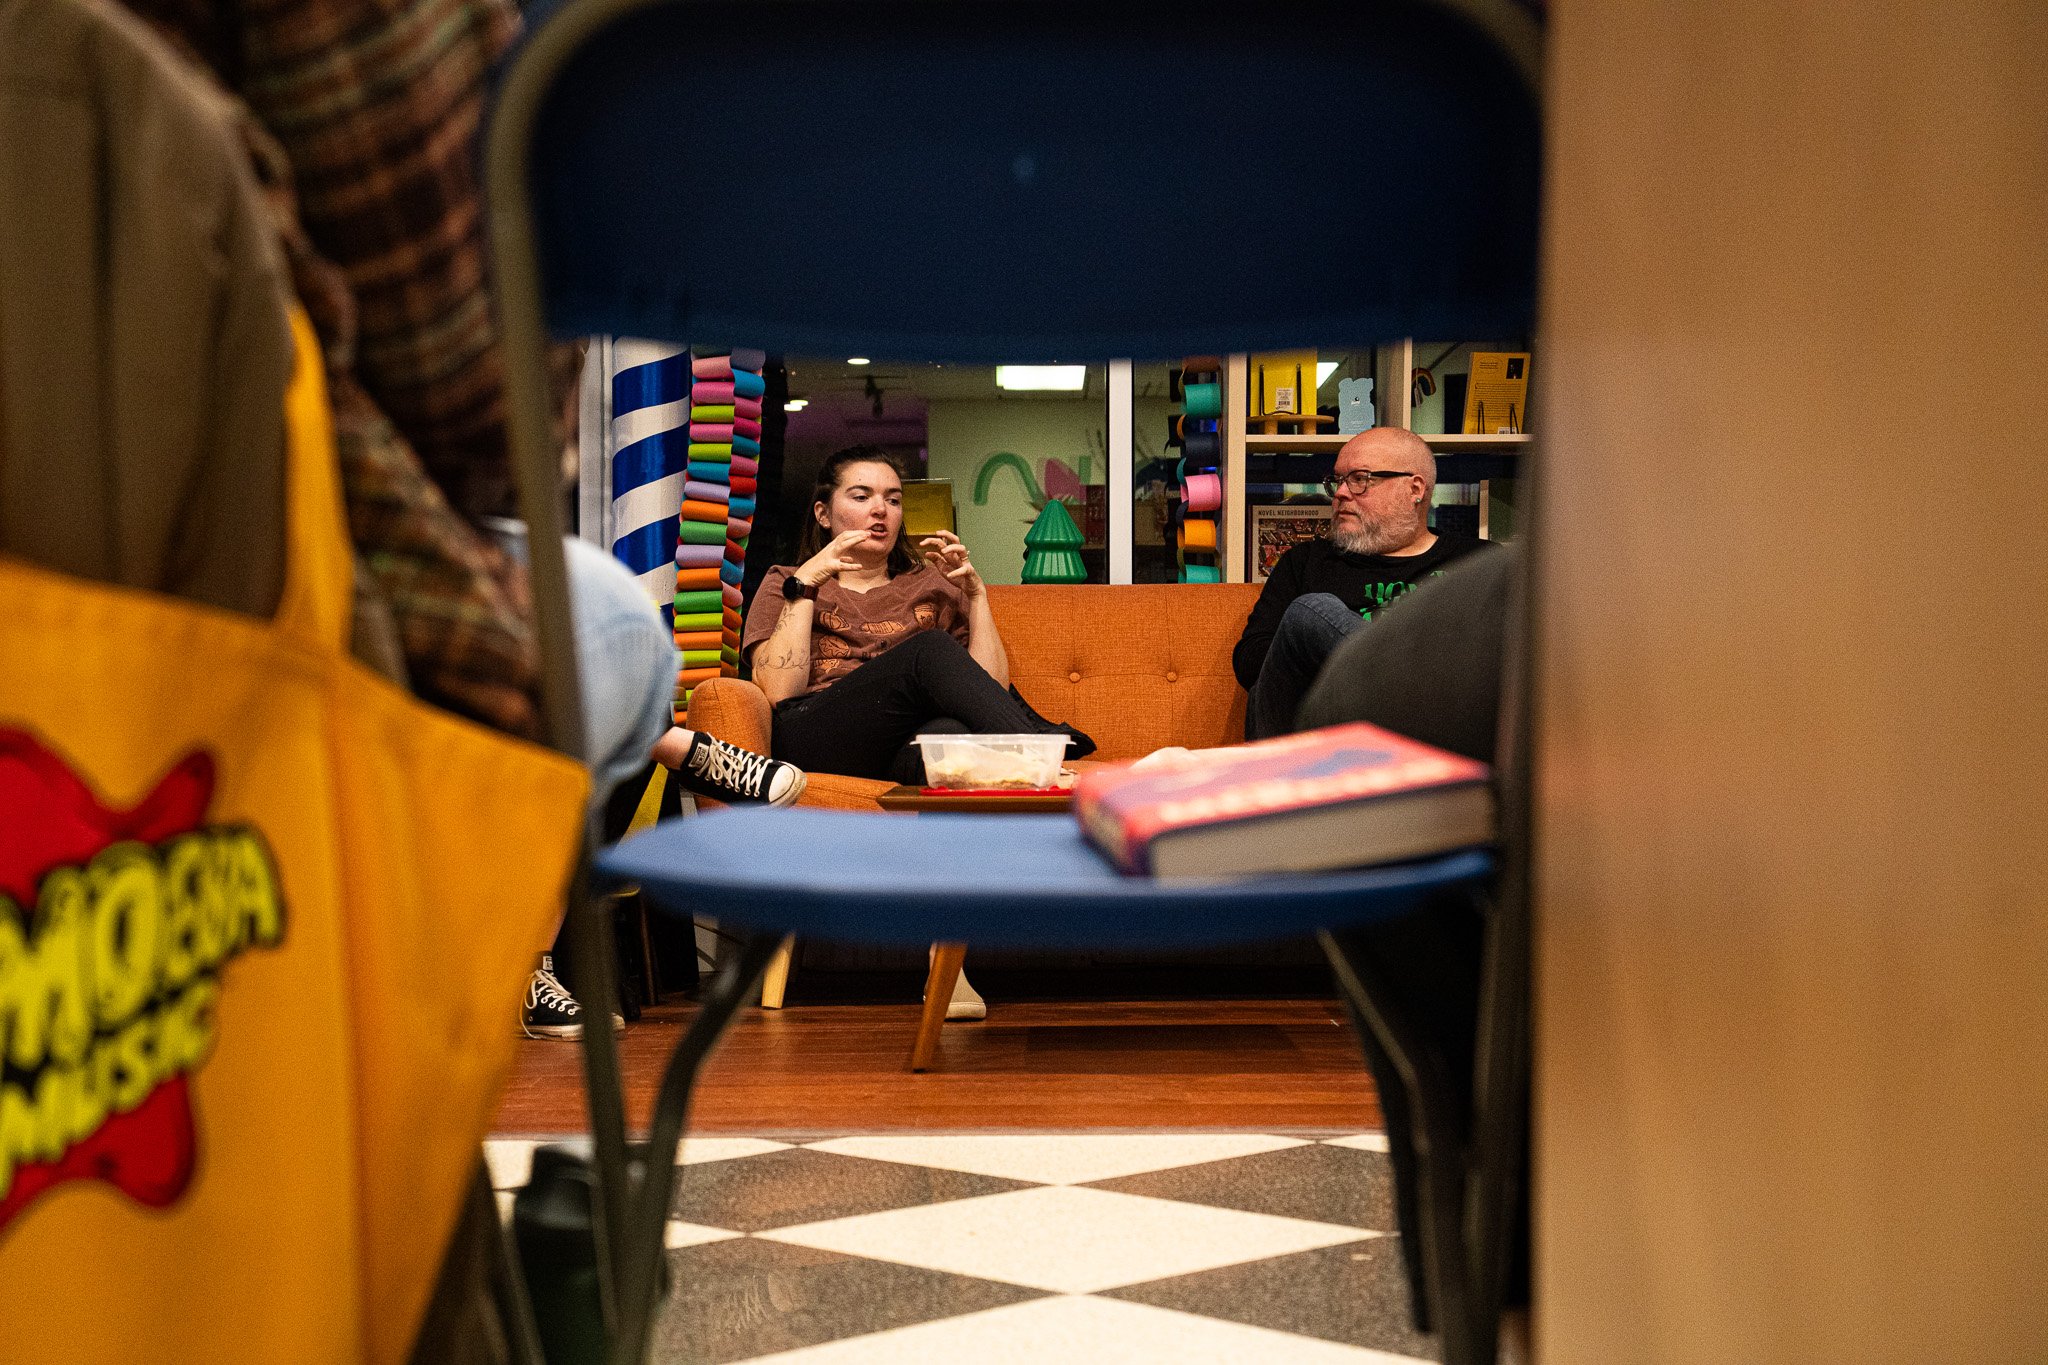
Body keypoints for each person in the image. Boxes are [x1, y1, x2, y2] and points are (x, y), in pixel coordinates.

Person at [742, 445, 1094, 784]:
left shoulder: (932, 584)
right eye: (862, 497)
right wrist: (806, 583)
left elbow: (991, 688)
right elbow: (778, 691)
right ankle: (1042, 760)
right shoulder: (786, 581)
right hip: (819, 734)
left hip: (901, 742)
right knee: (929, 649)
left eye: (893, 500)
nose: (881, 509)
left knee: (951, 739)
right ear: (823, 513)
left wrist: (976, 597)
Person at [1231, 426, 1496, 740]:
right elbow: (1251, 663)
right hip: (1326, 739)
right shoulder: (1306, 561)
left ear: (1415, 489)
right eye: (1338, 481)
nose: (1341, 493)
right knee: (1310, 612)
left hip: (1440, 739)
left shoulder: (1477, 563)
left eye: (1360, 480)